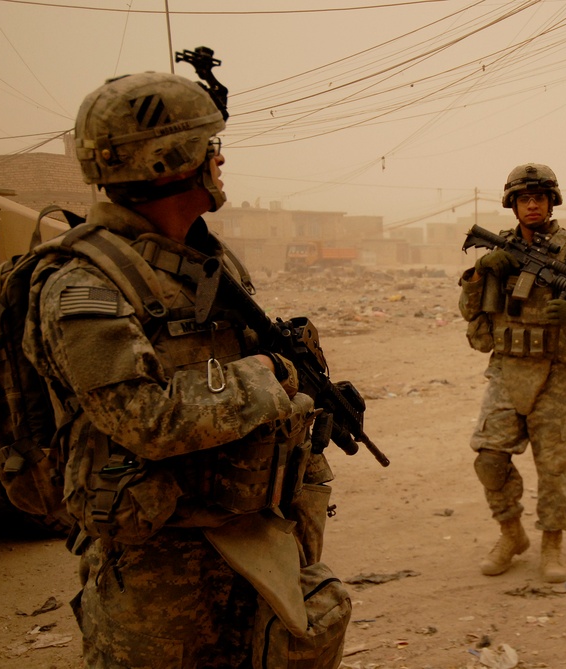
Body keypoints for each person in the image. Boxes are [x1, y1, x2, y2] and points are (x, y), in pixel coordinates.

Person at [23, 71, 341, 667]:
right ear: (170, 160)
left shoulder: (203, 259)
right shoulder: (83, 284)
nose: (220, 160)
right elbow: (143, 417)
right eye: (209, 145)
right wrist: (271, 375)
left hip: (253, 535)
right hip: (161, 564)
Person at [458, 163, 566, 582]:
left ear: (552, 203)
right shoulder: (499, 251)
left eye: (539, 198)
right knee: (489, 459)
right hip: (507, 369)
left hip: (556, 372)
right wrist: (481, 273)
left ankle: (552, 546)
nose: (532, 205)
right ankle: (511, 535)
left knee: (553, 466)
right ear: (513, 206)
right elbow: (468, 312)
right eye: (524, 199)